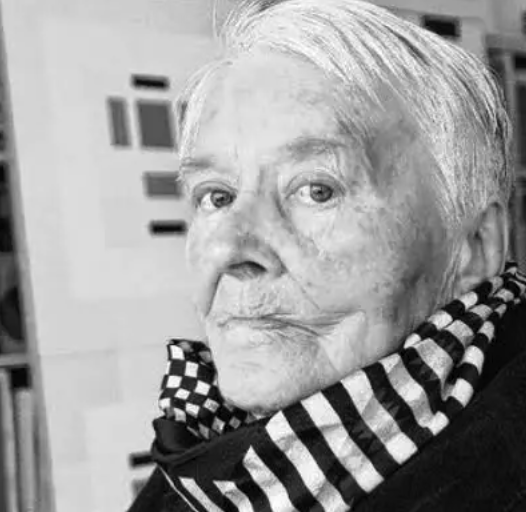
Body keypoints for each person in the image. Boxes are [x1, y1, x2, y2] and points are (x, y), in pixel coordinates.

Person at [128, 1, 526, 511]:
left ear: (474, 247)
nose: (231, 249)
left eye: (318, 190)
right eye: (217, 196)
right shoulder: (194, 462)